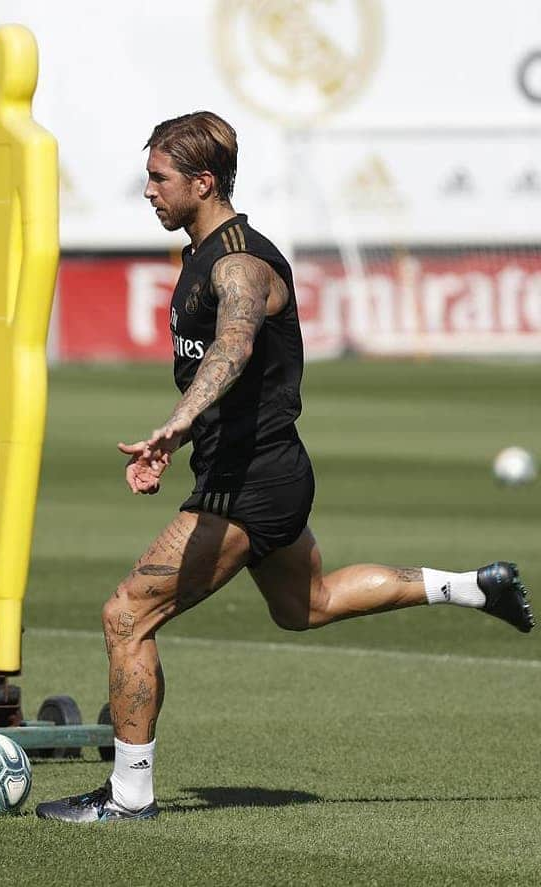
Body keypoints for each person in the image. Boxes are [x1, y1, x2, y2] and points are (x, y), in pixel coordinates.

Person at [35, 111, 533, 824]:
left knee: (126, 615)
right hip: (265, 472)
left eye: (159, 177)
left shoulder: (242, 264)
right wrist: (181, 438)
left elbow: (233, 346)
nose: (147, 190)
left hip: (250, 486)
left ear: (202, 183)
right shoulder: (199, 253)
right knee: (309, 604)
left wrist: (176, 421)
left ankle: (128, 796)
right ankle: (472, 587)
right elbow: (221, 369)